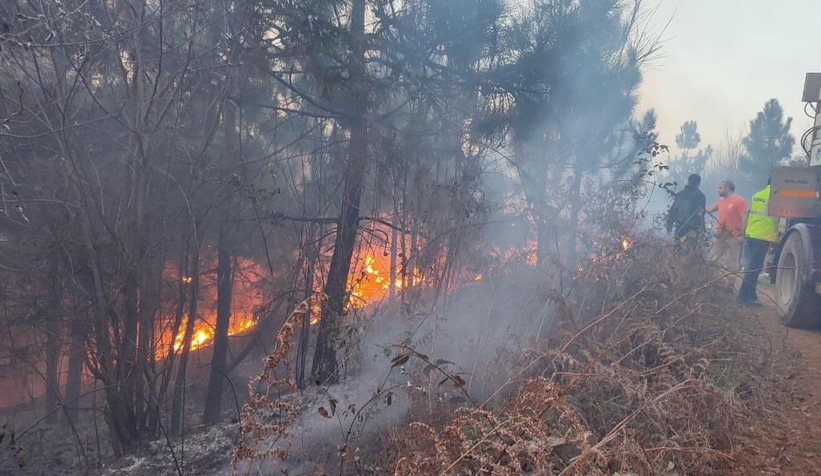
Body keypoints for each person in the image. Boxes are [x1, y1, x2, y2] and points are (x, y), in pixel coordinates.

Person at [737, 180, 779, 307]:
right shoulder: (776, 197)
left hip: (751, 234)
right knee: (754, 268)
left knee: (751, 266)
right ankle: (745, 297)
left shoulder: (757, 195)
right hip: (763, 236)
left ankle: (749, 294)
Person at [706, 180, 748, 269]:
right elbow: (708, 210)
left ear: (727, 188)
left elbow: (744, 218)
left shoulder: (739, 201)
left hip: (733, 236)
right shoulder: (721, 201)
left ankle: (730, 277)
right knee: (712, 258)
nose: (718, 190)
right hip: (719, 235)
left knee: (731, 262)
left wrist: (741, 234)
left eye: (720, 188)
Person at [666, 174, 707, 254]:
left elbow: (672, 211)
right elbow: (701, 214)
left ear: (688, 181)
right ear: (698, 183)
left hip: (679, 228)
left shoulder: (680, 194)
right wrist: (703, 230)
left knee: (677, 252)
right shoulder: (700, 196)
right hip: (692, 230)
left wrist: (669, 228)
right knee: (688, 253)